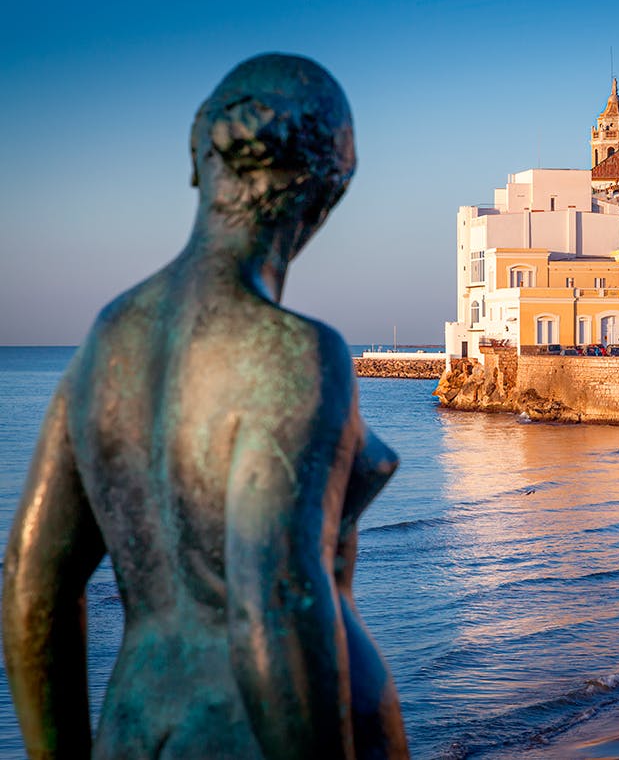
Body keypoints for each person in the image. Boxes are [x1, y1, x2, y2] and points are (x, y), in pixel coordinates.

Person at [3, 54, 407, 758]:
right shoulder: (295, 352)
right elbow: (273, 604)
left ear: (199, 159)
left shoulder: (107, 338)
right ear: (325, 190)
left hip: (136, 724)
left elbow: (31, 585)